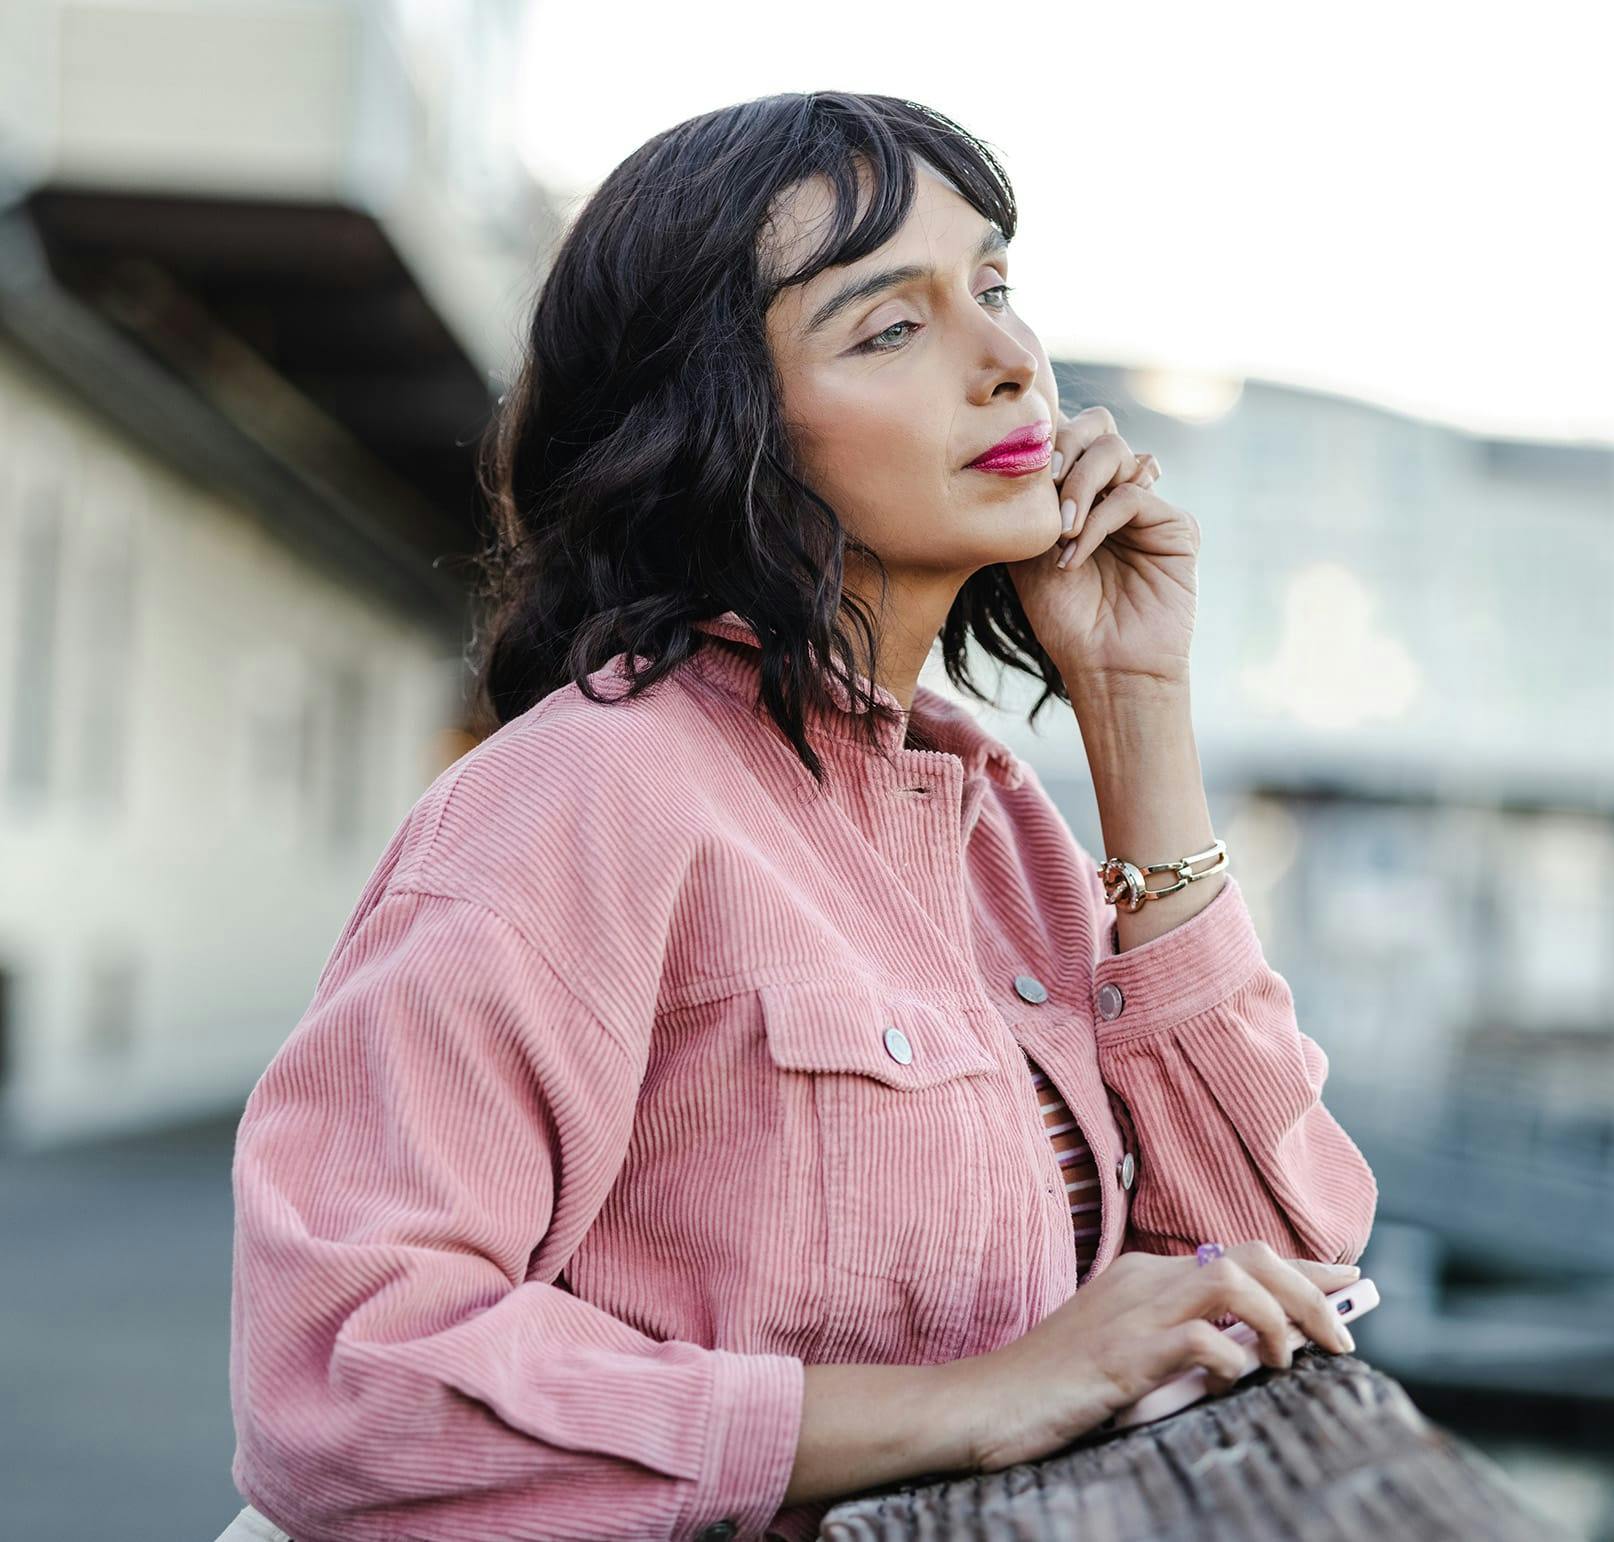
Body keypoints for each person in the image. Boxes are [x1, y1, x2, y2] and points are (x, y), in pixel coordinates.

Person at [224, 90, 1377, 1542]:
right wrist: (980, 1396)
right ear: (727, 430)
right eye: (891, 327)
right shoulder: (579, 798)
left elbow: (1271, 1260)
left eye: (997, 289)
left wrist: (1135, 701)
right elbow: (349, 1378)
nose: (1013, 361)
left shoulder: (994, 833)